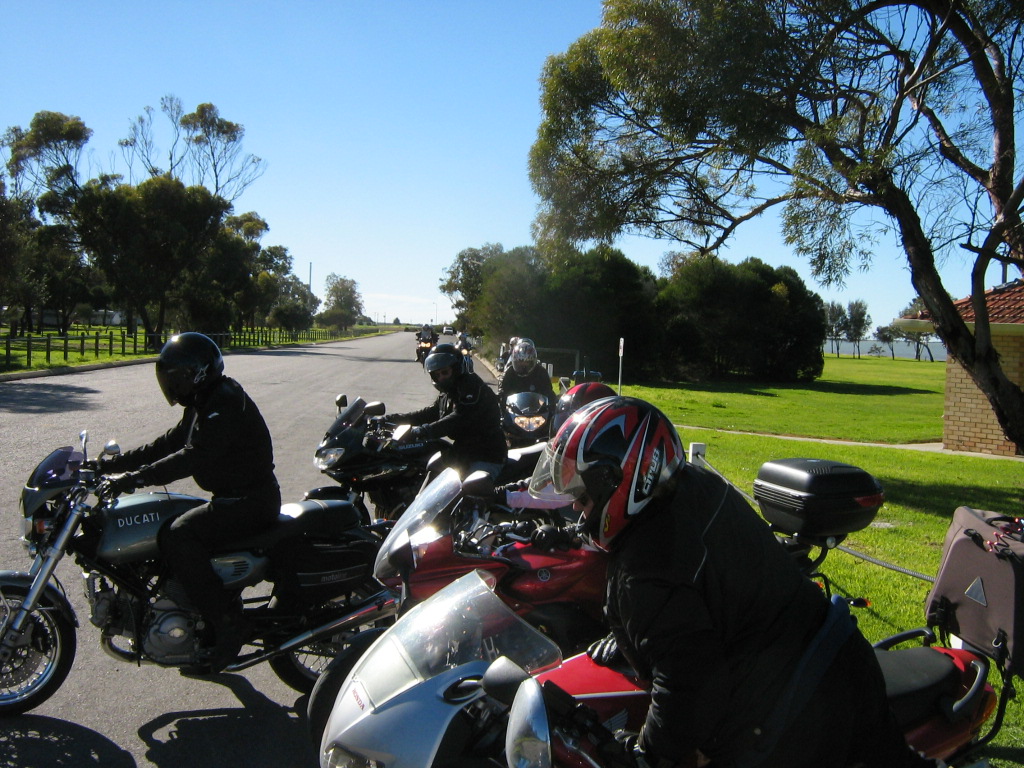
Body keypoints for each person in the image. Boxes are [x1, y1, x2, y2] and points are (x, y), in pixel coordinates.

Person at [528, 395, 942, 768]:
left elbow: (687, 683)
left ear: (621, 479)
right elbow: (702, 599)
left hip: (798, 710)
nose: (578, 510)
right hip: (832, 659)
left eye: (583, 496)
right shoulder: (694, 489)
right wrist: (633, 638)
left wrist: (647, 755)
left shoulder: (648, 561)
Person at [96, 332, 280, 673]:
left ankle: (228, 624)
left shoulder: (224, 401)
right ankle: (196, 616)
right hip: (234, 499)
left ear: (198, 373)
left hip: (250, 502)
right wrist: (110, 467)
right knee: (171, 523)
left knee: (178, 535)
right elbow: (168, 444)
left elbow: (194, 455)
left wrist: (136, 479)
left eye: (176, 377)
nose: (172, 385)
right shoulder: (204, 401)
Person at [387, 342, 506, 480]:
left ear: (456, 369)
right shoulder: (448, 393)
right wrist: (393, 419)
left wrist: (422, 431)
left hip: (486, 454)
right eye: (437, 375)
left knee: (469, 487)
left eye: (445, 372)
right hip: (463, 452)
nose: (441, 377)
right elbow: (430, 413)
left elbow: (460, 417)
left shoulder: (472, 387)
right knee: (426, 467)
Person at [497, 338, 556, 405]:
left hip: (535, 408)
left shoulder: (541, 372)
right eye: (520, 362)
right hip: (513, 408)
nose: (523, 366)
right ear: (514, 361)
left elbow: (548, 392)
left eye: (526, 363)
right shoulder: (509, 372)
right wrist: (500, 397)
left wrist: (551, 402)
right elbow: (502, 390)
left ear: (533, 361)